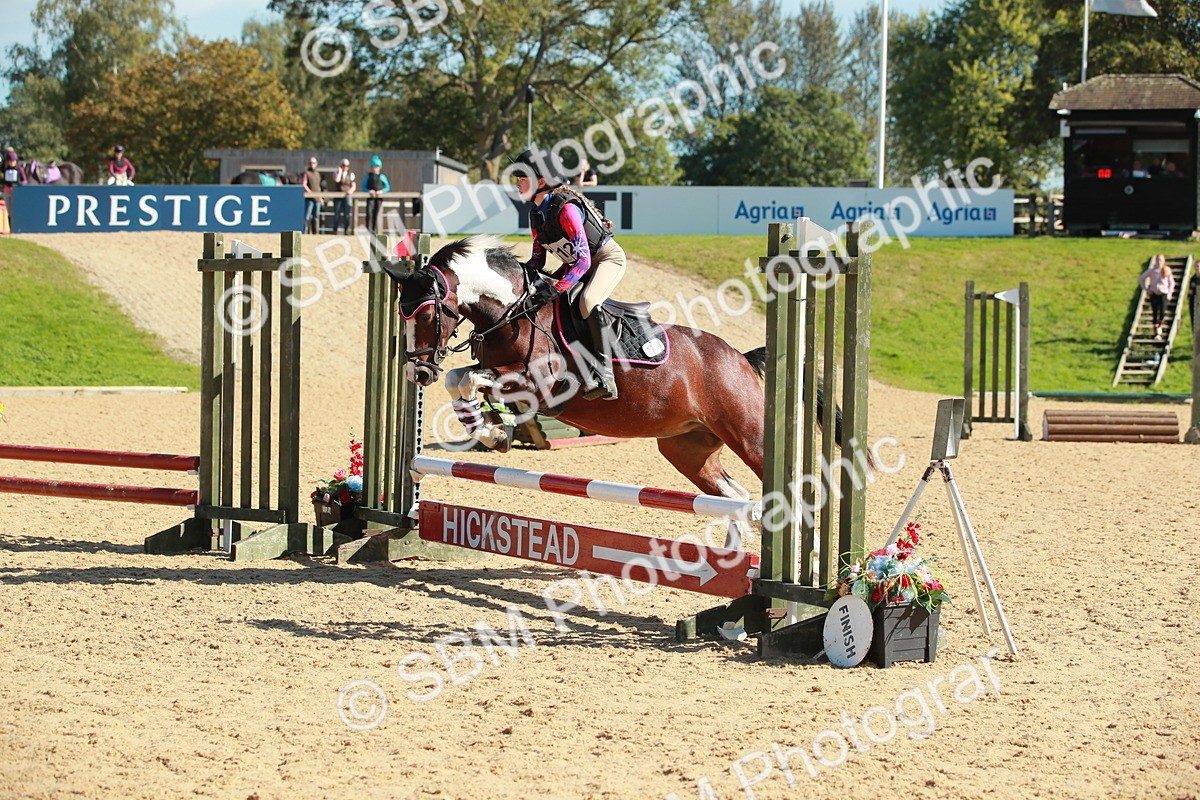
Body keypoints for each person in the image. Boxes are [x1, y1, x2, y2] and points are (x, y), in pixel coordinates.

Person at [512, 147, 625, 401]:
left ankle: (606, 375)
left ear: (541, 182)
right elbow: (537, 259)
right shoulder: (535, 213)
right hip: (573, 265)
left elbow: (584, 260)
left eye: (522, 178)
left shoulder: (565, 209)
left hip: (604, 260)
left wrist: (558, 287)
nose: (517, 183)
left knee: (587, 301)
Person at [1140, 254, 1176, 340]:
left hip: (1163, 294)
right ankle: (1157, 332)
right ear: (1156, 261)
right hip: (1154, 293)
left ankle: (1160, 325)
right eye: (1158, 260)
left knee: (1162, 313)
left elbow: (1172, 283)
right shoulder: (1152, 271)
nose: (1159, 262)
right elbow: (1142, 278)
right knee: (1155, 312)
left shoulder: (1167, 270)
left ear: (1163, 261)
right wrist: (1146, 289)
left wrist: (1170, 293)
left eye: (1161, 260)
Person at [361, 155, 390, 233]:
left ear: (379, 167)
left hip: (379, 198)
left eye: (376, 167)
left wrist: (381, 191)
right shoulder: (368, 176)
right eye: (373, 167)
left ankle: (374, 229)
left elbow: (387, 187)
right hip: (370, 197)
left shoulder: (382, 177)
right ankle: (368, 229)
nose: (375, 168)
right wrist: (368, 191)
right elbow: (363, 186)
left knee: (376, 214)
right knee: (369, 213)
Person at [331, 158, 356, 235]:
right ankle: (335, 230)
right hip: (338, 196)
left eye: (347, 166)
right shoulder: (336, 172)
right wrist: (340, 172)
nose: (345, 167)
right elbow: (337, 180)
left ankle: (347, 229)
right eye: (344, 165)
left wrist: (350, 191)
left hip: (347, 196)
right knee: (337, 213)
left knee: (347, 213)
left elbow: (353, 186)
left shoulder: (351, 174)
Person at [302, 156, 324, 234]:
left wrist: (320, 197)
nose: (312, 164)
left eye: (313, 163)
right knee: (307, 217)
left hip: (317, 199)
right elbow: (304, 184)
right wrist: (310, 193)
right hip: (309, 199)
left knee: (316, 217)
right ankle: (305, 232)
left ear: (316, 164)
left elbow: (319, 187)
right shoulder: (306, 173)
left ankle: (315, 233)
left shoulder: (318, 174)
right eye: (310, 163)